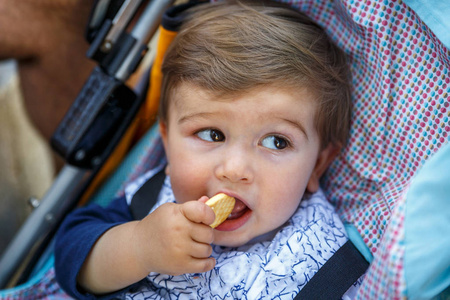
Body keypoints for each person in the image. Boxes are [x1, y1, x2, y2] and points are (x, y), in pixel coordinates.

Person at [54, 0, 353, 298]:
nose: (234, 169)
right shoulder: (150, 206)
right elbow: (70, 255)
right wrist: (138, 248)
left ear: (317, 165)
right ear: (167, 143)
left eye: (277, 141)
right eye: (211, 134)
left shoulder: (330, 263)